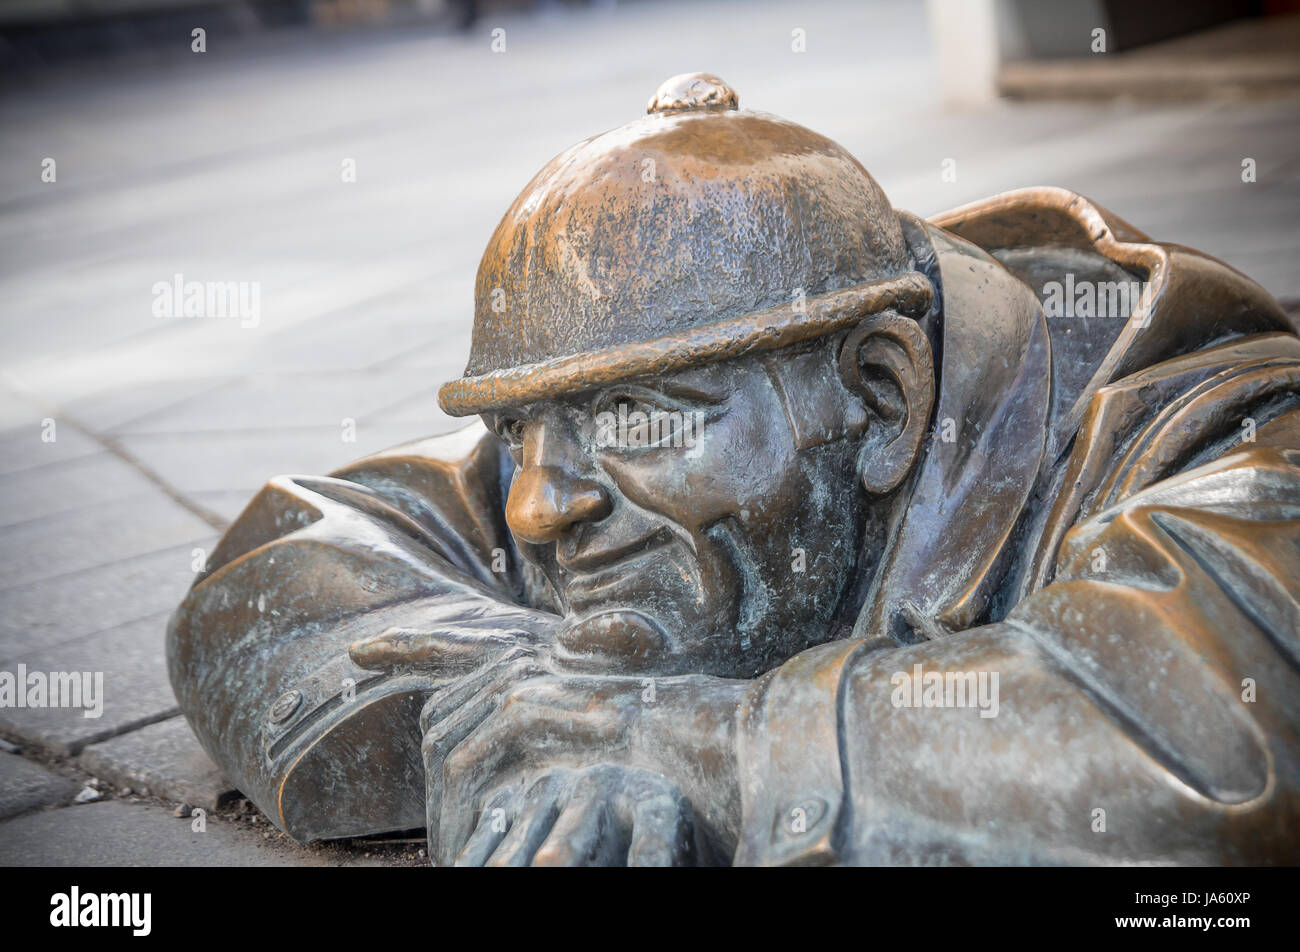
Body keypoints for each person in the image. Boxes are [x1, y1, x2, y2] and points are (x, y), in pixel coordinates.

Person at [168, 73, 1300, 865]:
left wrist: (694, 745)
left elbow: (1220, 749)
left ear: (879, 398)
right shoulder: (593, 475)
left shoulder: (1215, 427)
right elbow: (280, 565)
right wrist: (535, 699)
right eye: (523, 431)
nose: (534, 503)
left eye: (633, 417)